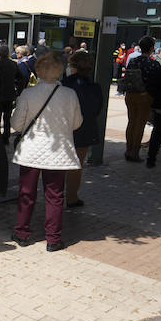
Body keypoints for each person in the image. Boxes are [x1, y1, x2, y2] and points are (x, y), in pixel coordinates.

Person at [10, 50, 83, 250]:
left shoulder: (28, 93)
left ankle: (22, 233)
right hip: (57, 154)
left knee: (26, 193)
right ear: (59, 71)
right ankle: (53, 239)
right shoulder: (70, 94)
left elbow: (16, 125)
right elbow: (77, 123)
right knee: (55, 195)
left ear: (38, 71)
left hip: (31, 152)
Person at [60, 49, 101, 208]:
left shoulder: (64, 85)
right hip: (84, 132)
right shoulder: (95, 87)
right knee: (76, 166)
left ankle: (56, 195)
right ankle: (71, 197)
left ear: (73, 66)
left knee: (60, 165)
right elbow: (96, 110)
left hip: (64, 131)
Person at [121, 37, 159, 161]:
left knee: (131, 122)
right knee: (139, 124)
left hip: (131, 95)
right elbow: (156, 82)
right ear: (152, 48)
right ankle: (135, 152)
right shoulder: (153, 63)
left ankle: (128, 149)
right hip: (145, 96)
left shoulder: (133, 61)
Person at [0, 43, 20, 137]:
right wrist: (18, 90)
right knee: (7, 117)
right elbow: (21, 78)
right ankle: (6, 136)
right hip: (9, 94)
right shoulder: (13, 64)